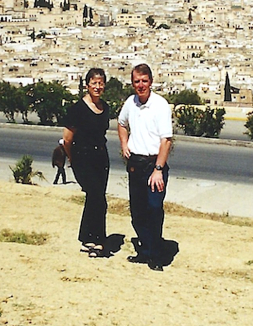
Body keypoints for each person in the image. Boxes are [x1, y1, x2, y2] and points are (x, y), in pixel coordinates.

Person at [118, 63, 173, 272]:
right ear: (132, 83)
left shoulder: (160, 105)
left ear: (151, 82)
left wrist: (158, 169)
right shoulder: (130, 103)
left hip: (153, 165)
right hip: (135, 164)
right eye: (136, 81)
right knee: (137, 212)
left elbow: (166, 140)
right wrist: (124, 144)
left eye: (144, 81)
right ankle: (145, 251)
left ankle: (157, 255)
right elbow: (121, 123)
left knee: (154, 209)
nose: (140, 85)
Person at [63, 68, 111, 258]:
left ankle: (87, 237)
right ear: (87, 85)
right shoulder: (77, 109)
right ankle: (97, 241)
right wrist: (72, 158)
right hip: (83, 158)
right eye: (94, 83)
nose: (97, 87)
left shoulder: (105, 108)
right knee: (97, 197)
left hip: (101, 157)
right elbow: (67, 139)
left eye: (100, 83)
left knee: (95, 197)